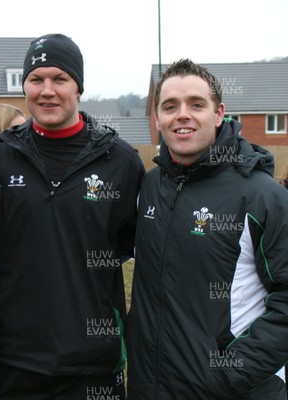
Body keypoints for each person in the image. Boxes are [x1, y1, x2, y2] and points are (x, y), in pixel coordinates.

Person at [0, 33, 145, 399]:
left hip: (92, 365)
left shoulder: (120, 162)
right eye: (36, 79)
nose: (47, 90)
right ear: (24, 86)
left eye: (60, 79)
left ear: (78, 87)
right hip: (15, 362)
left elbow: (130, 246)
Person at [126, 59, 288, 399]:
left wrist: (230, 376)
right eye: (170, 106)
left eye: (196, 104)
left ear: (218, 114)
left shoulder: (263, 197)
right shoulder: (151, 186)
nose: (182, 114)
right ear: (157, 119)